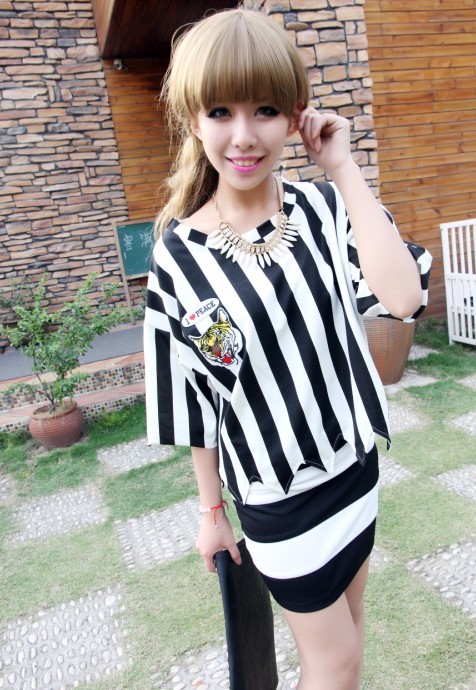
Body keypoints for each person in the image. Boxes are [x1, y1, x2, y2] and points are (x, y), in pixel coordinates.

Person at [143, 8, 432, 690]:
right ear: (193, 120)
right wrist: (213, 514)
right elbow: (197, 398)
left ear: (294, 116)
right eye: (221, 111)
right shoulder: (181, 259)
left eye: (265, 110)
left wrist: (343, 167)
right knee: (337, 663)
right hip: (279, 500)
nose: (244, 135)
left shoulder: (325, 210)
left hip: (354, 470)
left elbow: (402, 298)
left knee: (346, 644)